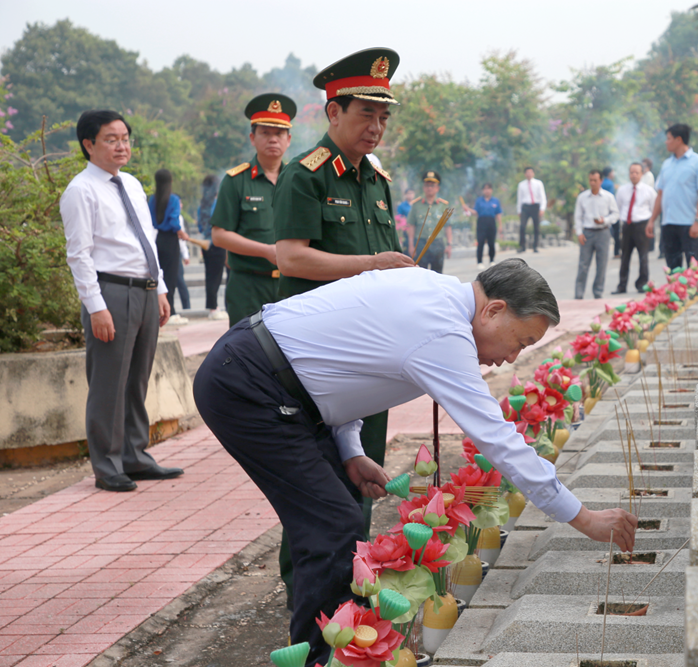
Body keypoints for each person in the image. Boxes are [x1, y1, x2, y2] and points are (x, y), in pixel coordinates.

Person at [192, 259, 638, 665]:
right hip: (250, 385)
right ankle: (320, 659)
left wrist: (350, 449)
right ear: (494, 309)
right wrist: (582, 519)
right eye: (520, 341)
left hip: (272, 379)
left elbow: (350, 364)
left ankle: (344, 652)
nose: (511, 357)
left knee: (335, 524)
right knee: (332, 527)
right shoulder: (442, 330)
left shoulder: (431, 291)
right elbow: (497, 439)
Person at [272, 47, 415, 607]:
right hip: (317, 360)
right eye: (365, 115)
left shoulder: (376, 180)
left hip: (370, 353)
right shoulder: (305, 177)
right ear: (333, 114)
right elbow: (291, 258)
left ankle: (351, 587)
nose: (376, 128)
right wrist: (373, 265)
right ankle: (307, 596)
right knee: (317, 482)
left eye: (384, 117)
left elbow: (385, 262)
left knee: (362, 475)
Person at [59, 109, 184, 492]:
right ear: (88, 145)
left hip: (145, 290)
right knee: (109, 382)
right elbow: (79, 254)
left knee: (136, 382)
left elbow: (145, 241)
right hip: (110, 292)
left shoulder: (130, 184)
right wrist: (96, 306)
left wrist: (160, 288)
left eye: (125, 138)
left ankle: (135, 456)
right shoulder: (80, 190)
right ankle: (108, 465)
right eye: (111, 139)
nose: (121, 145)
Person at [210, 93, 297, 327]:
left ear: (288, 139)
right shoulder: (236, 180)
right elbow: (219, 235)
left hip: (291, 286)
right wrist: (266, 251)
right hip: (247, 286)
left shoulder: (299, 181)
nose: (272, 140)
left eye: (279, 134)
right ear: (252, 137)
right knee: (246, 356)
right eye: (265, 133)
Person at [647, 124, 698, 270]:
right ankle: (676, 293)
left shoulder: (697, 163)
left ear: (679, 140)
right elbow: (661, 194)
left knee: (693, 266)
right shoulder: (667, 164)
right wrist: (652, 220)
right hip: (668, 223)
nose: (666, 142)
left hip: (689, 223)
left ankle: (696, 294)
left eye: (668, 139)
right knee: (673, 268)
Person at [148, 169, 190, 325]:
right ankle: (170, 311)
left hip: (159, 239)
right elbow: (173, 221)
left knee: (161, 275)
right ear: (170, 182)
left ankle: (161, 309)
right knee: (171, 277)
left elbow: (151, 221)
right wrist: (181, 233)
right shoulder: (173, 199)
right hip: (172, 241)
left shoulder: (152, 199)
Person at [574, 170, 620, 299]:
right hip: (587, 232)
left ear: (601, 181)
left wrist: (604, 220)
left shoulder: (608, 197)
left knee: (602, 264)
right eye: (591, 180)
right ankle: (579, 293)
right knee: (583, 265)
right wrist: (579, 233)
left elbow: (615, 214)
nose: (592, 183)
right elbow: (578, 216)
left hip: (603, 232)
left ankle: (598, 292)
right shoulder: (582, 197)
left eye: (595, 180)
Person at [612, 163, 656, 294]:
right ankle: (622, 285)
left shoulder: (649, 191)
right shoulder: (622, 190)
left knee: (643, 256)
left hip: (642, 225)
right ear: (629, 174)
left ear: (642, 174)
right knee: (625, 256)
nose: (634, 175)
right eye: (632, 172)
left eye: (637, 172)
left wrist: (650, 224)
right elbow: (618, 207)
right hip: (627, 226)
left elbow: (654, 209)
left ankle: (642, 284)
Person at [407, 170, 453, 272]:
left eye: (432, 185)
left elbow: (447, 226)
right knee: (421, 274)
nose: (429, 188)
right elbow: (412, 226)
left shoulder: (443, 205)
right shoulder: (416, 205)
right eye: (427, 185)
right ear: (423, 188)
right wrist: (411, 246)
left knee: (438, 274)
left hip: (438, 243)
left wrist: (449, 245)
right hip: (421, 244)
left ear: (437, 188)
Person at [198, 175, 228, 320]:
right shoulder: (218, 203)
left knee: (211, 276)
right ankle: (220, 308)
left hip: (206, 244)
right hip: (218, 243)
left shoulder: (202, 205)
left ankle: (212, 307)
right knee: (222, 276)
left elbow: (199, 226)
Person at [466, 182, 503, 269]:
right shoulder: (479, 200)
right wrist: (467, 209)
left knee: (491, 243)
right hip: (481, 222)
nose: (487, 190)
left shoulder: (495, 201)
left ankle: (492, 260)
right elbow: (475, 212)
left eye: (488, 188)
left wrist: (500, 225)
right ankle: (479, 262)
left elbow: (498, 214)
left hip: (491, 222)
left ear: (491, 190)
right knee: (481, 242)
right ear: (483, 190)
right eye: (485, 189)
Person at [516, 166, 546, 253]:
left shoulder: (538, 183)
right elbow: (519, 198)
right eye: (527, 172)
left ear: (533, 173)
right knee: (522, 226)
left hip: (535, 206)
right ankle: (522, 246)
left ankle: (535, 246)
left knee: (536, 227)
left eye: (530, 172)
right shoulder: (521, 185)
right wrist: (519, 210)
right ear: (525, 174)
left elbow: (542, 197)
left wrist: (542, 208)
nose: (529, 174)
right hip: (525, 207)